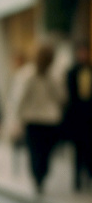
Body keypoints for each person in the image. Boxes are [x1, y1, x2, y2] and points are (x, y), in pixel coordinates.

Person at [17, 43, 65, 194]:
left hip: (38, 120)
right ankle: (40, 176)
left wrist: (18, 117)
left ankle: (38, 176)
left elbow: (20, 98)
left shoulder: (48, 75)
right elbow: (62, 97)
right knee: (43, 151)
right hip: (45, 120)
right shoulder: (34, 74)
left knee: (37, 151)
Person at [65, 40, 92, 190]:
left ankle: (88, 175)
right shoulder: (72, 72)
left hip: (89, 117)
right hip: (77, 118)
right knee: (78, 150)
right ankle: (77, 180)